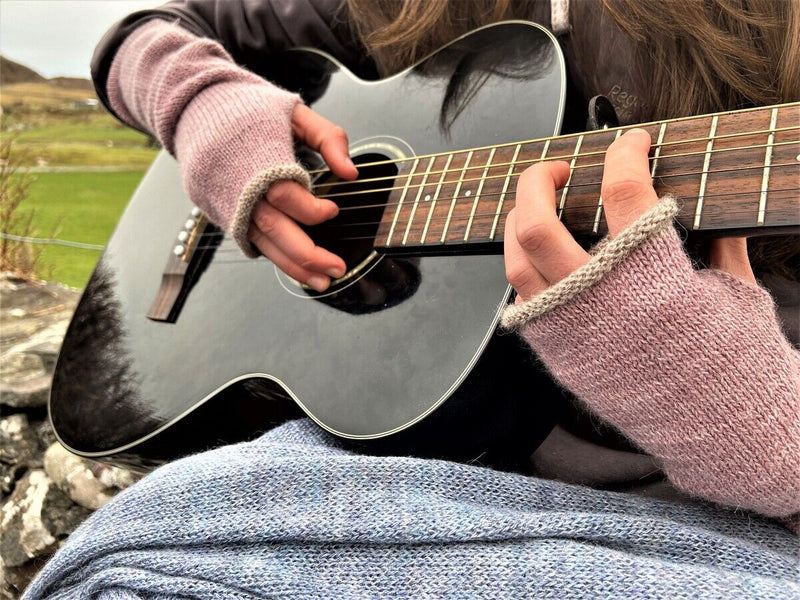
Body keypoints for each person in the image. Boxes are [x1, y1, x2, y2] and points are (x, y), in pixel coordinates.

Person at [22, 1, 800, 597]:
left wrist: (759, 427)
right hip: (412, 453)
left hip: (707, 532)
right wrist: (204, 105)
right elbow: (138, 36)